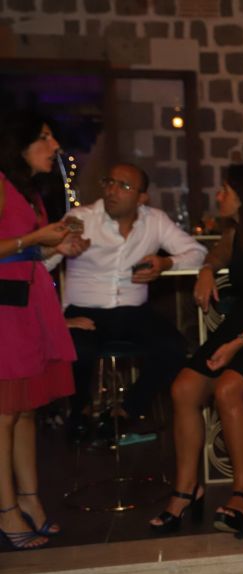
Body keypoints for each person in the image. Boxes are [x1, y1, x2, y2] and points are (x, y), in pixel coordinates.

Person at [150, 164, 243, 537]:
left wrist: (237, 344)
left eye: (225, 190)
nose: (218, 196)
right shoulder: (237, 232)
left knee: (228, 390)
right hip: (237, 325)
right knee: (184, 388)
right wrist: (207, 271)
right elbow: (215, 255)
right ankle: (187, 489)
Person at [45, 163, 207, 439]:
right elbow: (44, 264)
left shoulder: (155, 220)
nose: (112, 190)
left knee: (174, 348)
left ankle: (126, 411)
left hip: (133, 311)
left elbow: (197, 253)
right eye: (109, 182)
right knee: (78, 349)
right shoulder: (81, 218)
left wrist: (166, 263)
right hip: (85, 310)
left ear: (142, 197)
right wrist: (59, 248)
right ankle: (80, 411)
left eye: (123, 186)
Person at [0, 111, 88, 550]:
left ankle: (30, 499)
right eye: (45, 138)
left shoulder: (27, 190)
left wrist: (58, 245)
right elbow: (13, 247)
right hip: (5, 309)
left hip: (28, 304)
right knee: (5, 413)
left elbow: (24, 253)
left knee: (26, 409)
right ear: (19, 144)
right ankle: (6, 510)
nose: (54, 147)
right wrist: (35, 239)